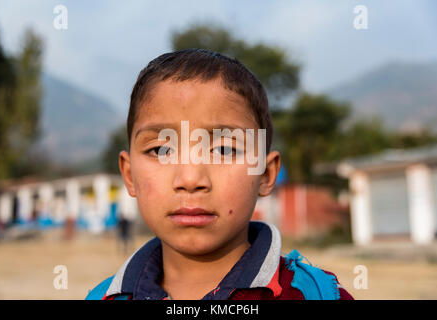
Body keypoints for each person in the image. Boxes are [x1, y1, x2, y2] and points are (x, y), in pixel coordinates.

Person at [86, 48, 354, 300]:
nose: (190, 180)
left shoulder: (315, 294)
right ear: (130, 175)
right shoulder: (103, 296)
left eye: (224, 149)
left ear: (265, 174)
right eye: (161, 149)